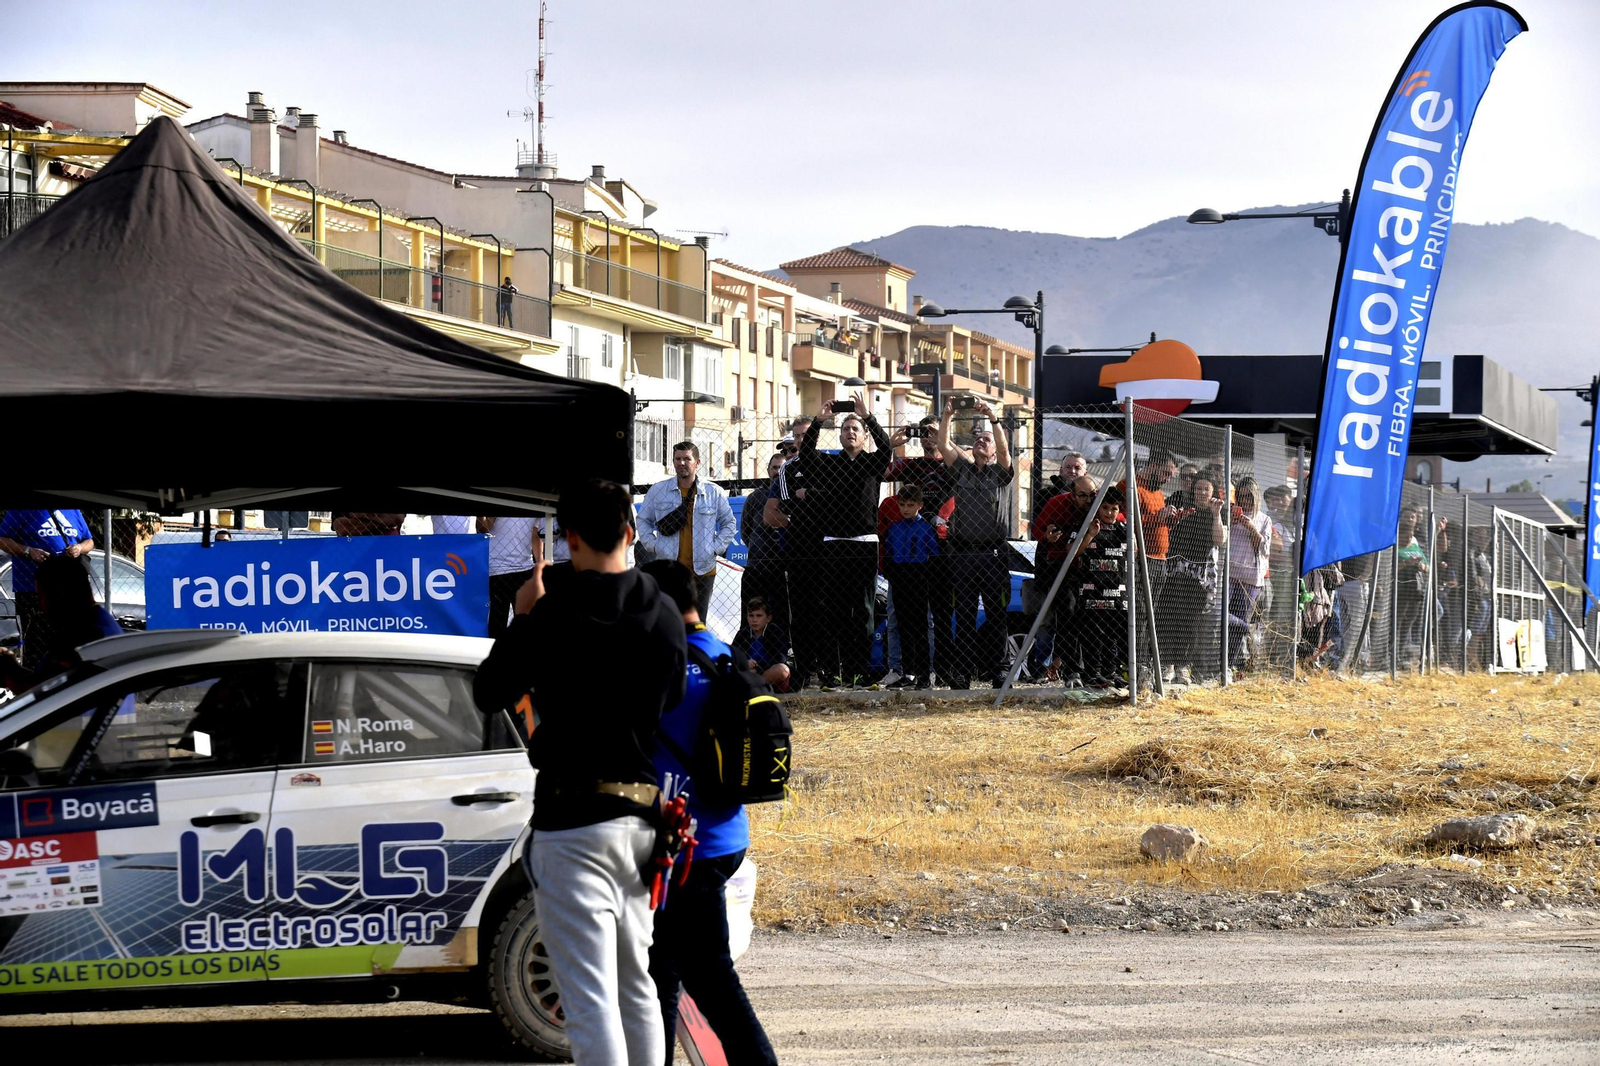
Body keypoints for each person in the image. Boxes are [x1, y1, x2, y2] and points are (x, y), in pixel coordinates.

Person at [473, 478, 685, 1066]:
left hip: (571, 821)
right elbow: (668, 702)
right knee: (636, 988)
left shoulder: (553, 611)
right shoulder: (662, 610)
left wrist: (521, 617)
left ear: (568, 538)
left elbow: (490, 692)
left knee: (589, 1005)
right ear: (631, 529)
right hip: (642, 821)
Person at [637, 561, 779, 1066]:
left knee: (707, 975)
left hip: (686, 845)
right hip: (725, 833)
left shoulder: (661, 664)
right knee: (661, 970)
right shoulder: (725, 655)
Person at [796, 392, 892, 686]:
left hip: (864, 544)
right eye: (845, 429)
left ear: (864, 437)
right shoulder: (829, 465)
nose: (850, 433)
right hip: (834, 543)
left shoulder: (872, 463)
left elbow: (886, 446)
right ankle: (832, 672)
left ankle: (858, 671)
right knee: (833, 611)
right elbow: (806, 455)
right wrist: (819, 421)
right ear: (838, 436)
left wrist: (868, 417)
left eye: (856, 430)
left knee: (862, 611)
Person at [936, 397, 1015, 689]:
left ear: (993, 449)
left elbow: (1006, 451)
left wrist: (993, 419)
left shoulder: (1001, 473)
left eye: (987, 440)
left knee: (997, 613)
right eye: (978, 439)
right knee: (965, 615)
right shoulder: (963, 470)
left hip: (994, 555)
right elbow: (944, 446)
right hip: (963, 555)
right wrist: (947, 415)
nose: (982, 442)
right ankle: (962, 672)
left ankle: (1000, 670)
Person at [637, 442, 737, 623]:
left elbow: (729, 523)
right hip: (669, 570)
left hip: (703, 570)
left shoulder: (714, 492)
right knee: (667, 622)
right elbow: (643, 520)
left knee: (698, 624)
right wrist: (653, 545)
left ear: (697, 462)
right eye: (677, 459)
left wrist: (714, 548)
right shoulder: (658, 491)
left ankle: (694, 652)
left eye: (687, 459)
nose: (681, 463)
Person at [0, 553, 123, 693]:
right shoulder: (93, 624)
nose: (41, 607)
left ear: (61, 594)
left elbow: (44, 694)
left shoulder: (87, 636)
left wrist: (9, 670)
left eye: (41, 597)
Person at [0, 507, 95, 671]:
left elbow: (89, 541)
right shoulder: (21, 510)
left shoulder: (73, 510)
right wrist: (28, 551)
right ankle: (37, 685)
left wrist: (79, 548)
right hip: (34, 590)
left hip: (69, 590)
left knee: (70, 644)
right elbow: (2, 540)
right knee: (37, 647)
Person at [1156, 475, 1228, 684]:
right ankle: (1167, 664)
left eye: (1206, 489)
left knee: (1190, 622)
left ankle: (1183, 666)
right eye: (1198, 488)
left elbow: (1219, 539)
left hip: (1197, 578)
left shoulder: (1214, 514)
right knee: (1169, 618)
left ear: (1213, 492)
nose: (1202, 493)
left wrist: (1216, 515)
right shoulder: (1181, 508)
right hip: (1173, 573)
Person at [764, 418, 820, 686]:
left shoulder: (830, 464)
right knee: (800, 614)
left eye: (805, 436)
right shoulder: (787, 471)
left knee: (828, 610)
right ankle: (805, 669)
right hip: (796, 550)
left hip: (827, 549)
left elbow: (835, 501)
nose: (799, 442)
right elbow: (772, 512)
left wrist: (810, 502)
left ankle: (832, 668)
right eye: (795, 437)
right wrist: (803, 520)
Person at [1061, 485, 1128, 688]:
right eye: (1105, 507)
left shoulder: (1124, 529)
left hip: (1116, 593)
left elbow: (1131, 555)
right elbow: (1071, 552)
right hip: (1092, 592)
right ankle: (1093, 672)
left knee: (1112, 634)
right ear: (1097, 508)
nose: (1109, 512)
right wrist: (1090, 535)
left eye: (1114, 508)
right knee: (1093, 634)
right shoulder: (1085, 526)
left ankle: (1111, 671)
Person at [1037, 475, 1100, 685]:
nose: (1089, 500)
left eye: (1093, 495)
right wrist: (1047, 536)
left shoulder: (1099, 505)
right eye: (1083, 496)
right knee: (1067, 612)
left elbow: (1116, 518)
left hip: (1089, 566)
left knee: (1089, 616)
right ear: (1072, 494)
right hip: (1060, 564)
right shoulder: (1057, 503)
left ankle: (1094, 669)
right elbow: (1037, 529)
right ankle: (1071, 670)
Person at [881, 484, 940, 690]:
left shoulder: (925, 528)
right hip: (899, 579)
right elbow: (887, 554)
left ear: (920, 505)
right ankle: (908, 673)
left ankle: (924, 674)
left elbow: (934, 556)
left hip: (919, 579)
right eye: (903, 504)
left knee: (921, 628)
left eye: (911, 505)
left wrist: (927, 579)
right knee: (903, 627)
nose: (906, 509)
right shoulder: (895, 528)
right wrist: (892, 573)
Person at [1226, 477, 1274, 672]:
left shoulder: (1264, 519)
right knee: (1221, 615)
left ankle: (1229, 664)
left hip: (1251, 578)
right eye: (1241, 496)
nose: (1244, 500)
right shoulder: (1230, 513)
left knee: (1238, 625)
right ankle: (1249, 630)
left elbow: (1264, 548)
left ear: (1256, 497)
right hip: (1228, 573)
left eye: (1248, 496)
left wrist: (1250, 527)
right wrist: (1229, 520)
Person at [740, 453, 789, 634]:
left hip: (782, 569)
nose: (777, 471)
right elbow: (745, 531)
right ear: (768, 470)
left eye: (781, 467)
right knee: (750, 614)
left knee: (781, 615)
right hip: (756, 567)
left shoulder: (790, 495)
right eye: (774, 468)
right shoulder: (755, 498)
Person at [480, 515, 540, 638]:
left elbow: (535, 533)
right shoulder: (499, 496)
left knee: (525, 620)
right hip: (497, 568)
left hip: (525, 567)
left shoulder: (533, 500)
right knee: (497, 622)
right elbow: (483, 528)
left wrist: (540, 562)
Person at [731, 596, 792, 691]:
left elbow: (780, 658)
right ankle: (752, 687)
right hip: (749, 672)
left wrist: (758, 667)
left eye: (759, 616)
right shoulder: (743, 633)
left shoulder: (775, 631)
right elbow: (733, 655)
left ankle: (751, 687)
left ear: (768, 618)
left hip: (768, 673)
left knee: (782, 669)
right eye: (751, 616)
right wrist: (744, 663)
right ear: (746, 617)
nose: (754, 620)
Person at [1395, 507, 1428, 667]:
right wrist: (1406, 564)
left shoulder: (1415, 544)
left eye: (1410, 536)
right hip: (1399, 589)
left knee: (1408, 623)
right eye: (1405, 537)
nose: (1408, 539)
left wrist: (1420, 565)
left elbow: (1427, 566)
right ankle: (1391, 654)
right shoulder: (1395, 544)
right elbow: (1388, 567)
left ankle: (1399, 656)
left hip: (1414, 591)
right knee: (1398, 622)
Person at [332, 512, 405, 536]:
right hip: (353, 549)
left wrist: (363, 514)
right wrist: (382, 524)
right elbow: (341, 526)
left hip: (388, 547)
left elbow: (397, 518)